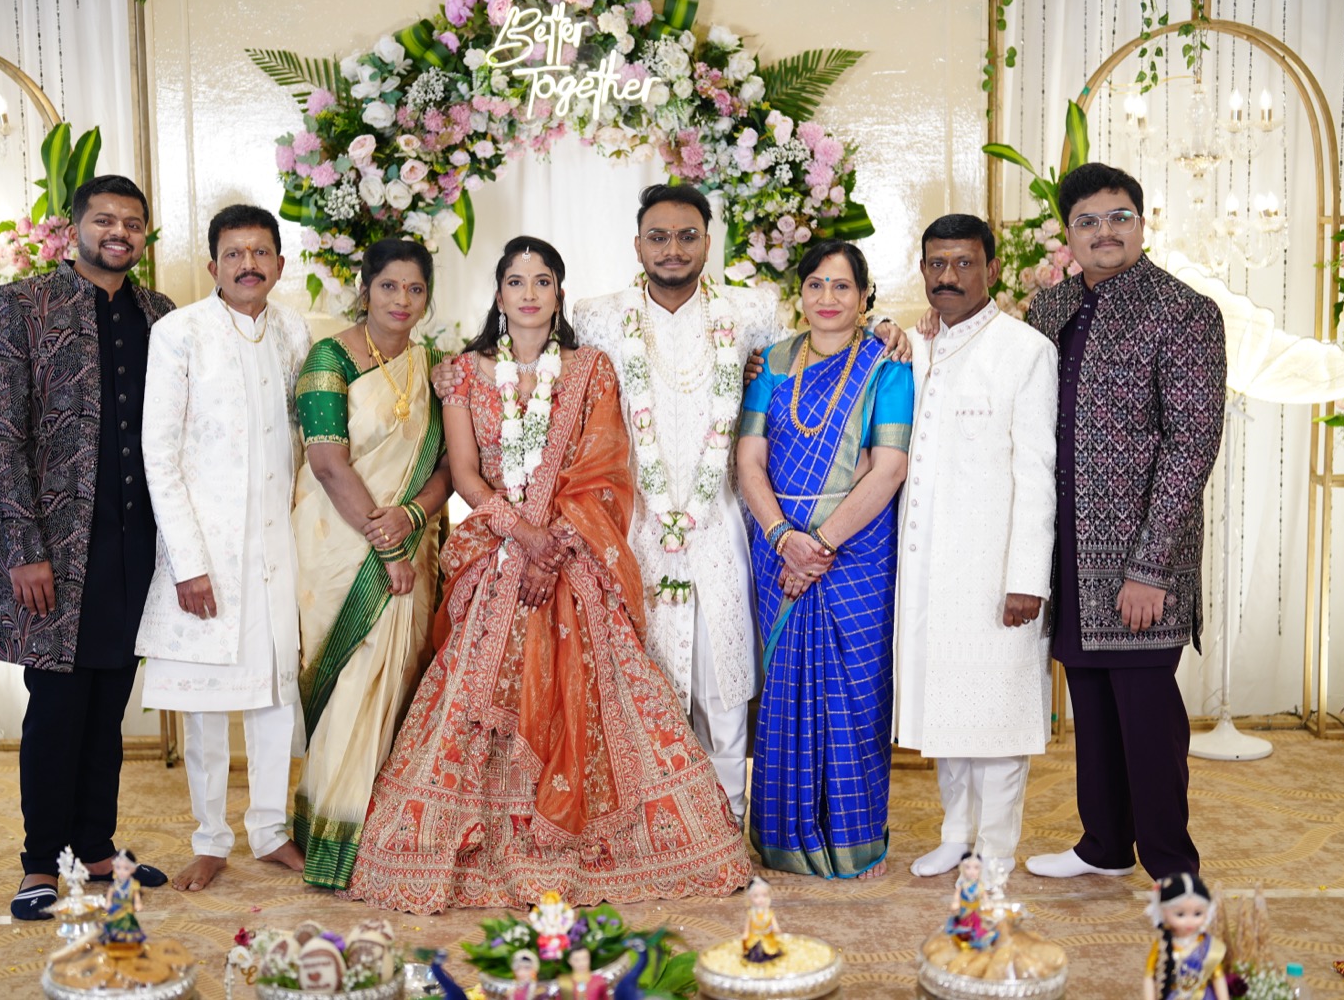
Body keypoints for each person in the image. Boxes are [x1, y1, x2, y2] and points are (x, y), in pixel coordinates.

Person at [432, 184, 908, 824]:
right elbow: (523, 350)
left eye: (687, 236)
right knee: (636, 687)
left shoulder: (750, 313)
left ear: (708, 243)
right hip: (630, 533)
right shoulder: (601, 317)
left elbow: (820, 336)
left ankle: (724, 827)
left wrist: (883, 328)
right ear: (637, 245)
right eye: (658, 236)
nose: (673, 248)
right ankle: (649, 829)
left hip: (720, 527)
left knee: (723, 686)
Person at [346, 236, 751, 914]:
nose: (529, 293)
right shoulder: (463, 374)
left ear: (559, 293)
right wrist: (522, 534)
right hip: (500, 551)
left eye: (543, 280)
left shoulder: (590, 369)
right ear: (498, 294)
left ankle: (609, 845)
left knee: (601, 687)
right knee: (476, 688)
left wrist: (556, 543)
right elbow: (468, 475)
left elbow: (606, 472)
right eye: (515, 281)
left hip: (574, 553)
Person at [0, 174, 173, 920]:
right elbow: (1, 429)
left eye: (132, 222)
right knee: (56, 706)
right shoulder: (22, 305)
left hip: (137, 544)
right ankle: (40, 862)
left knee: (109, 701)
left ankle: (94, 844)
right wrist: (23, 545)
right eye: (103, 219)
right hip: (55, 548)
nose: (117, 232)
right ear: (74, 227)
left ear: (144, 235)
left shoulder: (162, 314)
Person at [1021, 164, 1225, 881]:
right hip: (1067, 549)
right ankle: (1104, 845)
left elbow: (1192, 443)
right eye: (1088, 220)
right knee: (1092, 704)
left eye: (1119, 217)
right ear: (1069, 233)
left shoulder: (1185, 312)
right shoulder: (1048, 312)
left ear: (1143, 223)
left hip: (1143, 554)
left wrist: (1149, 567)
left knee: (1146, 712)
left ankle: (1173, 867)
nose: (1105, 232)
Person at [137, 204, 312, 891]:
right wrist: (189, 562)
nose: (248, 264)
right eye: (234, 253)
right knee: (207, 706)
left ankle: (269, 831)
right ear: (213, 265)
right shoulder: (179, 333)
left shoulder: (293, 332)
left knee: (274, 695)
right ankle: (210, 839)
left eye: (260, 252)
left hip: (277, 547)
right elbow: (160, 452)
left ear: (278, 262)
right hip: (204, 551)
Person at [738, 240, 912, 879]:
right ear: (800, 294)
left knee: (855, 693)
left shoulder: (886, 365)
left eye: (843, 287)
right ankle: (784, 837)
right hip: (777, 543)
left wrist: (824, 543)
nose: (828, 299)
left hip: (858, 550)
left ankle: (853, 837)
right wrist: (785, 537)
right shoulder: (773, 363)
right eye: (816, 285)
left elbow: (889, 467)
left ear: (865, 297)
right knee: (784, 692)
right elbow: (749, 460)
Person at [895, 215, 1058, 881]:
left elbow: (1036, 473)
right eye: (936, 263)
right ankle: (955, 833)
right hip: (928, 570)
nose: (948, 276)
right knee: (947, 708)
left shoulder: (1024, 350)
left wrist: (1028, 578)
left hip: (995, 575)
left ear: (990, 269)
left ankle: (995, 849)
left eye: (963, 263)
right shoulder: (915, 345)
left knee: (996, 716)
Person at [291, 237, 452, 889]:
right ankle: (333, 833)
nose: (402, 301)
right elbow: (327, 462)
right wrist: (385, 544)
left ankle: (380, 830)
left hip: (411, 541)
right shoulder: (329, 358)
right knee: (351, 677)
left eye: (415, 290)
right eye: (389, 287)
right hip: (338, 542)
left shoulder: (429, 364)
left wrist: (409, 522)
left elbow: (446, 467)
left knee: (398, 679)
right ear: (366, 288)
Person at [1143, 873, 1229, 1000]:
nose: (1190, 921)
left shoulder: (1208, 945)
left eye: (1198, 913)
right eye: (1180, 914)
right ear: (1163, 912)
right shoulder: (1163, 944)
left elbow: (1218, 977)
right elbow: (1149, 976)